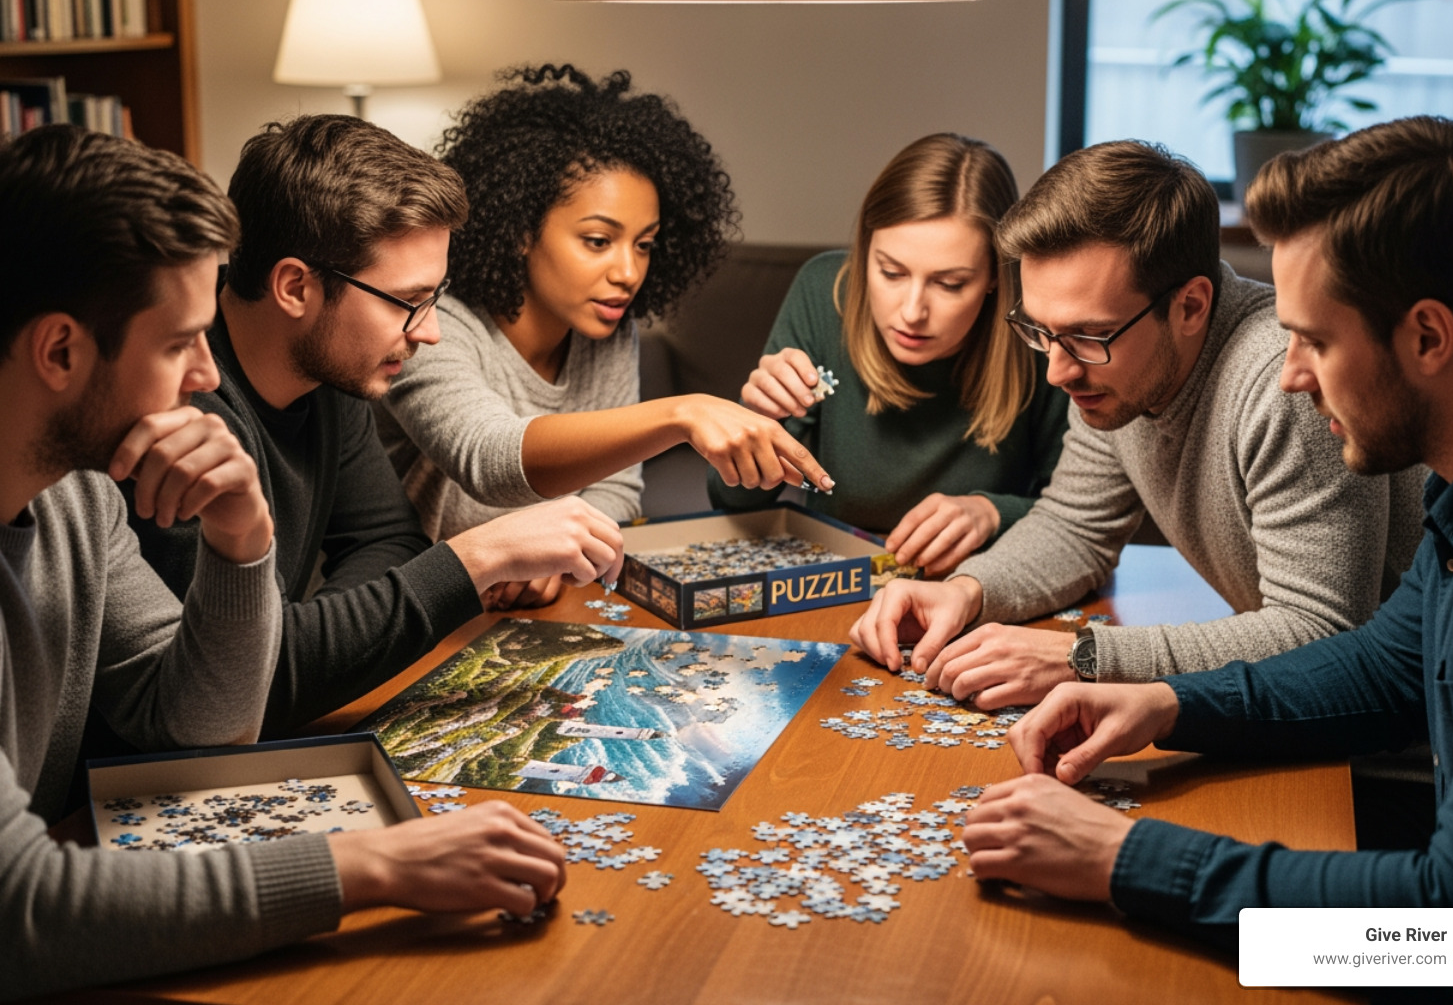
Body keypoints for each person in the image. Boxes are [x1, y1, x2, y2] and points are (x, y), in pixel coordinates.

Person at [1, 126, 567, 1000]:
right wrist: (369, 866)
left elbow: (200, 728)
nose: (204, 376)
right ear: (62, 352)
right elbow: (22, 909)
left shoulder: (74, 499)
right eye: (179, 343)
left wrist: (243, 543)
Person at [963, 115, 1453, 962]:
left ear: (1427, 337)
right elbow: (1385, 664)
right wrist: (1168, 705)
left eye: (1313, 340)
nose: (1293, 372)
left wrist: (1126, 862)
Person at [851, 139, 1422, 708]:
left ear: (1191, 307)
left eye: (1087, 336)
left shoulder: (1285, 386)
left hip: (1384, 747)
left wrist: (1084, 657)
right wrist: (966, 590)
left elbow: (1319, 632)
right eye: (1041, 331)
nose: (1057, 370)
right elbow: (1075, 526)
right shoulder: (1116, 378)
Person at [120, 114, 625, 738]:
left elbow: (388, 542)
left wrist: (318, 637)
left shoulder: (330, 368)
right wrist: (478, 558)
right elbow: (246, 681)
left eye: (435, 298)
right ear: (295, 287)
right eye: (408, 301)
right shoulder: (176, 408)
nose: (430, 331)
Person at [377, 63, 831, 602]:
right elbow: (487, 459)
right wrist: (682, 413)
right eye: (598, 240)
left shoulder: (607, 328)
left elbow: (617, 489)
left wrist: (561, 552)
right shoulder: (430, 324)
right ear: (522, 230)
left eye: (644, 244)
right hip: (416, 615)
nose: (628, 273)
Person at [707, 133, 1070, 577]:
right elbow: (728, 501)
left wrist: (993, 513)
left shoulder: (1039, 331)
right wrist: (757, 423)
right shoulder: (823, 294)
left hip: (982, 583)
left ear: (996, 274)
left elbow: (1083, 517)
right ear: (864, 251)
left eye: (950, 283)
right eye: (891, 272)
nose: (912, 311)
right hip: (838, 579)